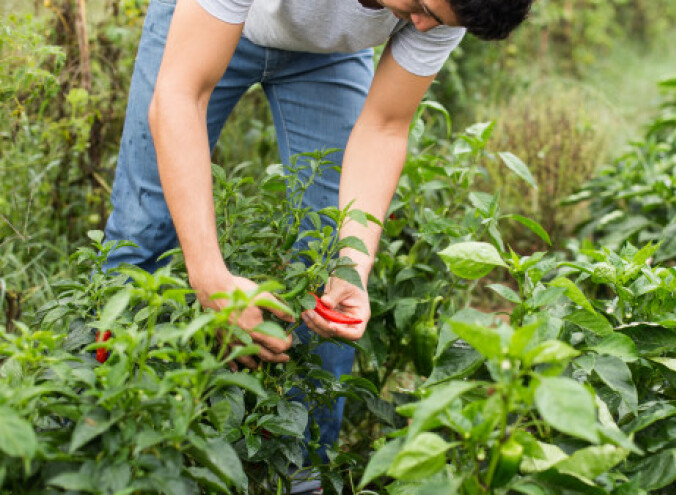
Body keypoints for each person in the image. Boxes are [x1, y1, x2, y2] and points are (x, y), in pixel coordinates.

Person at [103, 0, 532, 491]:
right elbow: (180, 96)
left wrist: (353, 265)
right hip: (205, 19)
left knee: (332, 272)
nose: (420, 24)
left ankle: (304, 475)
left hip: (329, 52)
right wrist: (210, 278)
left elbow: (385, 125)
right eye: (420, 6)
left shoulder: (446, 8)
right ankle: (108, 438)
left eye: (436, 19)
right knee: (142, 237)